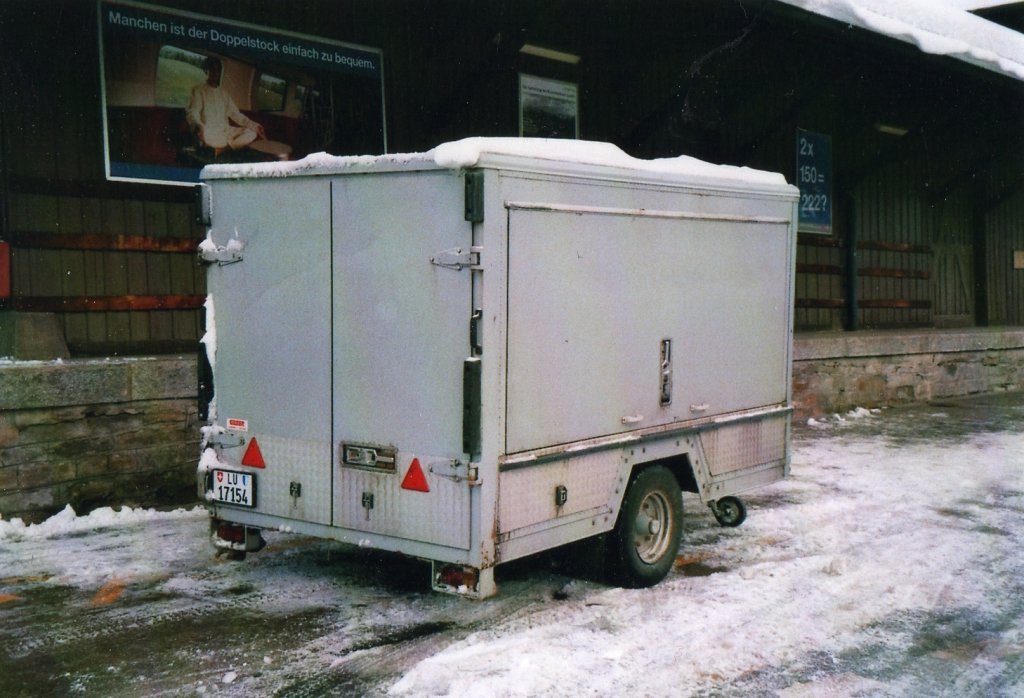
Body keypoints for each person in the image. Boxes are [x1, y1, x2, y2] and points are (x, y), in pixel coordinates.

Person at [186, 57, 265, 157]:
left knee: (251, 132)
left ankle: (222, 150)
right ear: (206, 71)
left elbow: (236, 115)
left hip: (226, 131)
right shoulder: (198, 90)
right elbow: (193, 112)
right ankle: (229, 147)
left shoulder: (224, 93)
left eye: (217, 69)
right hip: (209, 132)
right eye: (212, 69)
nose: (215, 72)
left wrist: (255, 126)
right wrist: (198, 126)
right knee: (204, 138)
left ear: (220, 72)